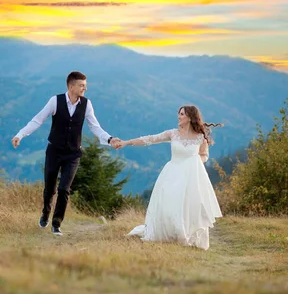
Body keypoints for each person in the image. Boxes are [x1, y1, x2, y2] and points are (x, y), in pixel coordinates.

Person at [11, 71, 120, 236]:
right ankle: (46, 212)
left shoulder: (86, 104)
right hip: (54, 151)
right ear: (71, 86)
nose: (85, 88)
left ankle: (56, 223)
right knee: (50, 188)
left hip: (73, 154)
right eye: (82, 85)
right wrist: (20, 134)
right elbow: (37, 120)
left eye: (85, 85)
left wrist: (109, 138)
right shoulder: (55, 101)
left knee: (64, 189)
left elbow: (94, 127)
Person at [114, 105, 223, 250]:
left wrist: (195, 162)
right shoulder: (173, 134)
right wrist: (126, 142)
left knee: (188, 205)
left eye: (182, 114)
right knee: (171, 204)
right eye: (178, 114)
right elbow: (151, 139)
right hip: (172, 174)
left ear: (190, 117)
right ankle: (171, 233)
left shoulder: (200, 137)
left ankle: (186, 234)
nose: (178, 116)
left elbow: (204, 155)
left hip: (191, 175)